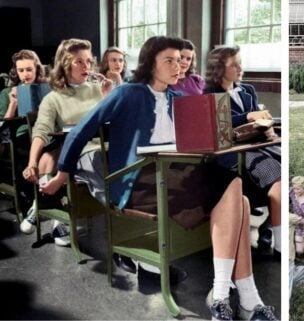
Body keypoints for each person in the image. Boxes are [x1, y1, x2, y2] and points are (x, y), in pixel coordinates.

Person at [40, 36, 276, 321]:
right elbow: (81, 131)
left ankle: (228, 296)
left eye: (180, 60)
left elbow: (215, 118)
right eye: (170, 60)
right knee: (237, 193)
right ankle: (237, 298)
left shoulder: (178, 97)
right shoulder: (127, 93)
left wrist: (250, 118)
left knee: (239, 194)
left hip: (175, 174)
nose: (178, 66)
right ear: (150, 63)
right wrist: (60, 176)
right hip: (136, 180)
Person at [21, 39, 114, 244]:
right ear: (65, 64)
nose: (86, 67)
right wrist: (32, 163)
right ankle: (124, 219)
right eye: (79, 62)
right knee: (98, 160)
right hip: (80, 152)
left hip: (108, 146)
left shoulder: (100, 89)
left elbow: (117, 121)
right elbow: (41, 131)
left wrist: (110, 97)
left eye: (89, 61)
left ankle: (132, 214)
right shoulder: (53, 98)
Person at [203, 46, 282, 257]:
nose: (240, 68)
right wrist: (248, 117)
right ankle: (280, 245)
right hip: (234, 153)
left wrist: (265, 125)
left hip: (259, 144)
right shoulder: (209, 94)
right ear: (219, 69)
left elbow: (258, 119)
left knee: (285, 165)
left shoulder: (248, 90)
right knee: (277, 179)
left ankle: (269, 227)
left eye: (240, 62)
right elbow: (216, 124)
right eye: (234, 64)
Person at [0, 50, 48, 227]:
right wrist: (13, 104)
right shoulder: (7, 92)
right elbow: (2, 124)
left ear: (37, 69)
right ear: (16, 71)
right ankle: (35, 201)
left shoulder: (46, 89)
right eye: (21, 70)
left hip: (46, 133)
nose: (25, 75)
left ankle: (45, 198)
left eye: (29, 69)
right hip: (21, 135)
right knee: (26, 150)